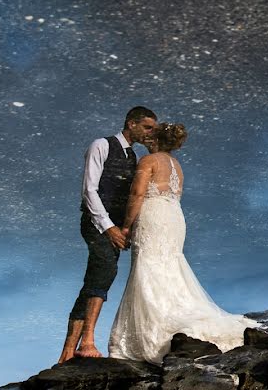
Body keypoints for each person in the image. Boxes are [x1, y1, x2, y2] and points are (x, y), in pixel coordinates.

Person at [108, 122, 259, 364]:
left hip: (154, 216)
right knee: (169, 264)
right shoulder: (176, 165)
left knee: (149, 265)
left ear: (155, 140)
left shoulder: (148, 162)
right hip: (174, 218)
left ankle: (151, 331)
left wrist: (125, 226)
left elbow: (137, 194)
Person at [58, 106, 158, 363]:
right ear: (131, 123)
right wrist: (109, 227)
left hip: (115, 227)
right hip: (96, 223)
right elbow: (89, 190)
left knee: (95, 277)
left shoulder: (135, 157)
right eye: (147, 127)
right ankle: (88, 340)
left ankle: (68, 351)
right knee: (106, 271)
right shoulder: (100, 145)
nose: (150, 133)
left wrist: (125, 226)